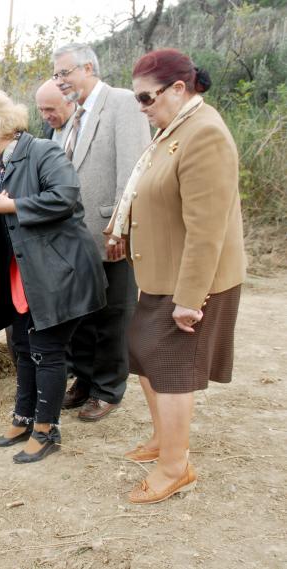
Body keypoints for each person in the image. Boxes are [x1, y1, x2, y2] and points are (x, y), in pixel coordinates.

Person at [0, 91, 106, 463]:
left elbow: (66, 197)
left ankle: (46, 430)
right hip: (22, 277)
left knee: (47, 351)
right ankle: (24, 416)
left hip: (59, 273)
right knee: (25, 348)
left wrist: (15, 205)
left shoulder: (43, 152)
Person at [107, 49, 245, 503]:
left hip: (191, 280)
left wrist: (191, 298)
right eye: (137, 100)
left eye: (147, 98)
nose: (142, 108)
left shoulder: (205, 134)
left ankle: (175, 467)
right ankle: (163, 442)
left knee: (171, 369)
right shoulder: (174, 128)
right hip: (162, 270)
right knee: (144, 355)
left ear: (179, 89)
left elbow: (209, 226)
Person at [52, 43, 151, 422]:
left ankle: (108, 389)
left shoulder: (122, 103)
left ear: (88, 67)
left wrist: (121, 228)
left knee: (114, 315)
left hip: (111, 234)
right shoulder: (74, 115)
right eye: (56, 75)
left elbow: (134, 169)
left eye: (64, 73)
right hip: (76, 239)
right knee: (83, 316)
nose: (59, 81)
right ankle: (85, 380)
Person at [35, 79, 75, 146]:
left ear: (69, 101)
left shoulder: (84, 126)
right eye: (41, 110)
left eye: (50, 109)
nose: (44, 117)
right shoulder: (47, 126)